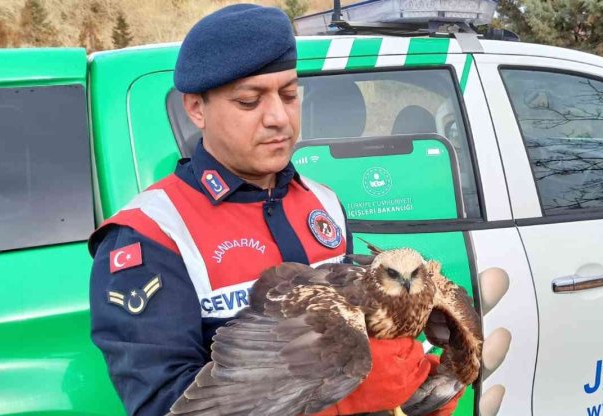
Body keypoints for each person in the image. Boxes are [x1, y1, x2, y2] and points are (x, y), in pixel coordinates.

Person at [88, 4, 458, 416]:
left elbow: (364, 343)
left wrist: (410, 390)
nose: (279, 118)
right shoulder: (152, 234)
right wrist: (340, 401)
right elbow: (165, 405)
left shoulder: (323, 204)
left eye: (289, 94)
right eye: (249, 101)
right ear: (196, 109)